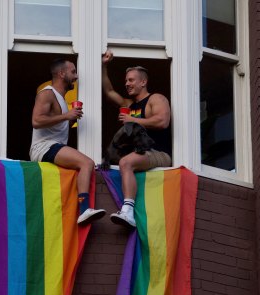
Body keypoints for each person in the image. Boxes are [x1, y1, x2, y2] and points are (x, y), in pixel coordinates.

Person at [30, 58, 106, 225]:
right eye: (73, 72)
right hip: (43, 147)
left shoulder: (62, 99)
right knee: (87, 163)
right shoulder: (46, 93)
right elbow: (36, 121)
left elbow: (55, 125)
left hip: (53, 146)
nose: (76, 76)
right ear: (61, 73)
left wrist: (70, 119)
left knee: (82, 167)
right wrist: (67, 116)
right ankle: (84, 209)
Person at [102, 50, 172, 228]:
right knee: (110, 161)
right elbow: (109, 91)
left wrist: (133, 120)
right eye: (126, 81)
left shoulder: (155, 98)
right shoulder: (128, 105)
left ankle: (128, 212)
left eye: (131, 80)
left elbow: (162, 121)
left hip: (159, 153)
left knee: (126, 162)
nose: (127, 84)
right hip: (138, 154)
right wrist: (103, 65)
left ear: (143, 82)